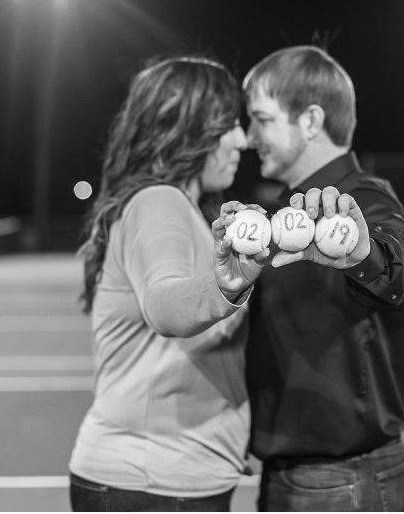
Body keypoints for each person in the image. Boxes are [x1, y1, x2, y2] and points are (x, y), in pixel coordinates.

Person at [68, 56, 269, 512]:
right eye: (228, 124)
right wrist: (225, 287)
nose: (242, 139)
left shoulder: (181, 207)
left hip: (160, 483)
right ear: (188, 130)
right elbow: (164, 303)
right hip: (152, 486)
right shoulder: (159, 201)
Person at [242, 45, 404, 511]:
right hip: (304, 477)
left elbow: (401, 266)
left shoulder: (361, 197)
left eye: (261, 120)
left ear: (310, 121)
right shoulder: (288, 211)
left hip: (343, 483)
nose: (249, 137)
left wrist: (361, 251)